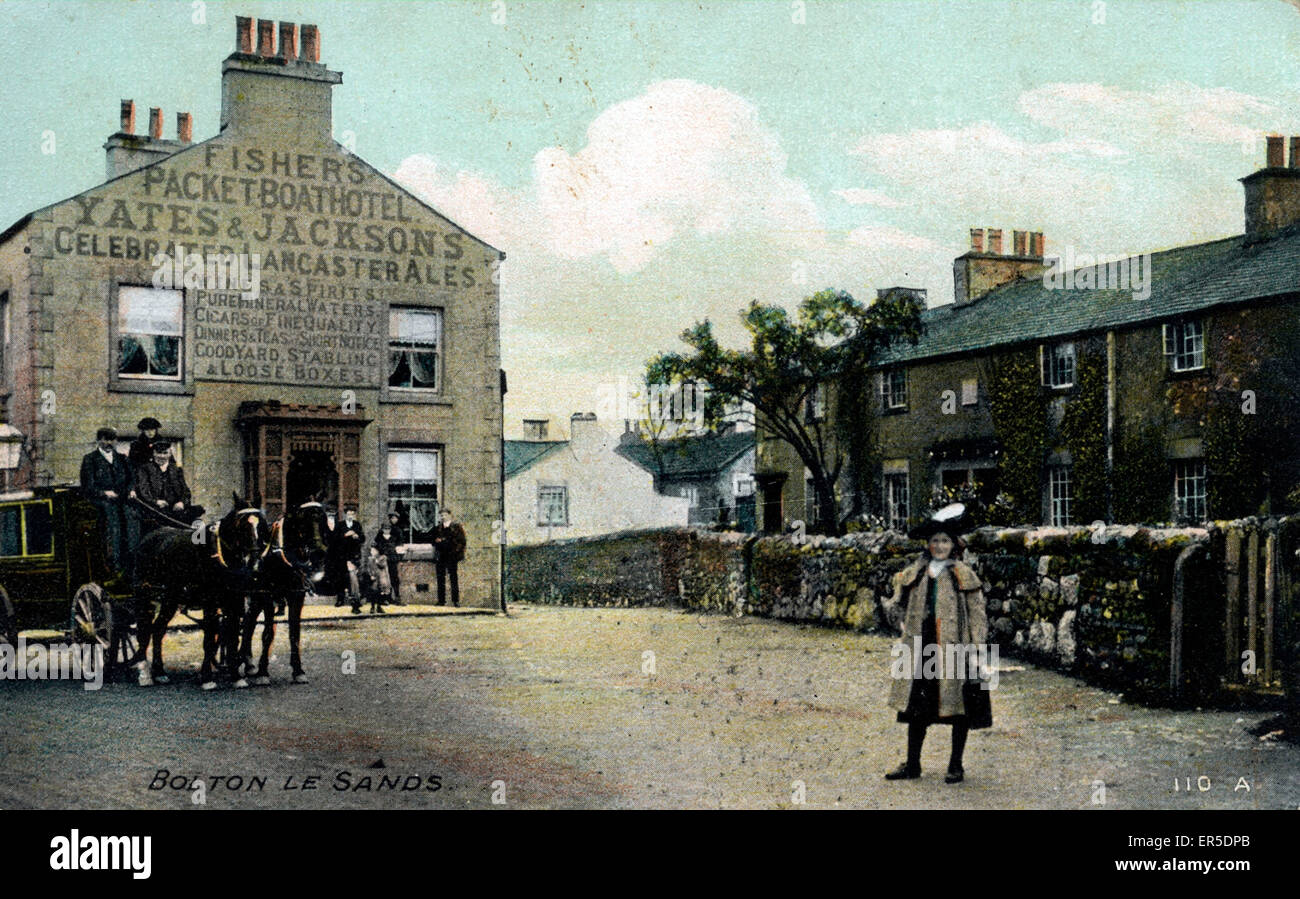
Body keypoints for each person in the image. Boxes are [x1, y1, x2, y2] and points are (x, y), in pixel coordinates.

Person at [884, 504, 990, 784]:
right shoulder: (916, 572)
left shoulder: (963, 575)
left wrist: (978, 649)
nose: (939, 546)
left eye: (944, 540)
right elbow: (897, 604)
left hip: (955, 649)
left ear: (954, 544)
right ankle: (912, 764)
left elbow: (978, 614)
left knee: (959, 707)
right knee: (915, 709)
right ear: (928, 545)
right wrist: (902, 625)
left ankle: (956, 765)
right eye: (934, 541)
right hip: (921, 649)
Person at [79, 428, 136, 572]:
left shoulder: (122, 458)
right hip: (101, 501)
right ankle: (114, 562)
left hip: (122, 499)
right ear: (98, 441)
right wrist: (104, 493)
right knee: (112, 516)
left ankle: (132, 558)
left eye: (112, 439)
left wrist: (131, 490)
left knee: (132, 513)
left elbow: (131, 479)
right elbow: (87, 486)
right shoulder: (90, 459)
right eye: (105, 439)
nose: (109, 443)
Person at [133, 440, 204, 530]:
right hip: (156, 511)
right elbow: (144, 491)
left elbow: (186, 492)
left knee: (198, 522)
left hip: (176, 510)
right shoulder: (145, 469)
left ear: (170, 454)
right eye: (158, 453)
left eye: (165, 453)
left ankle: (199, 543)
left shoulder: (176, 470)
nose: (161, 456)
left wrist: (181, 503)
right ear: (154, 453)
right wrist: (156, 501)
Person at [330, 505, 365, 614]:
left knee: (353, 579)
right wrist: (345, 535)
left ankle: (354, 602)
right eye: (348, 514)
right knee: (341, 578)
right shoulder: (340, 525)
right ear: (345, 514)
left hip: (353, 555)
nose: (350, 516)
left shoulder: (357, 525)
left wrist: (356, 535)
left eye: (352, 514)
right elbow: (334, 539)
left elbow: (363, 538)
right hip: (342, 555)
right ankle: (340, 599)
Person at [432, 508, 466, 607]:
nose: (443, 517)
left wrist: (455, 551)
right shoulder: (437, 528)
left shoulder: (456, 527)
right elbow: (432, 540)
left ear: (450, 515)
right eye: (441, 515)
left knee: (453, 578)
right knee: (440, 578)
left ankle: (456, 601)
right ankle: (441, 601)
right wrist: (436, 541)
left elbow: (462, 541)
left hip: (452, 556)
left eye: (445, 515)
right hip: (441, 555)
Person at [373, 514, 405, 605]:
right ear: (382, 529)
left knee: (394, 578)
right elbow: (374, 549)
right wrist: (378, 558)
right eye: (385, 529)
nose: (386, 530)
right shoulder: (379, 538)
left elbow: (399, 548)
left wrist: (398, 558)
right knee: (384, 580)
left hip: (392, 560)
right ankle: (386, 598)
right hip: (382, 562)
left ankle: (397, 598)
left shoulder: (394, 538)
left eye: (388, 529)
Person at [361, 547, 391, 613]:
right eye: (371, 550)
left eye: (373, 550)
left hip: (381, 577)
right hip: (374, 578)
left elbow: (382, 565)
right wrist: (371, 575)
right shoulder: (370, 559)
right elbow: (368, 568)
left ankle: (379, 606)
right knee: (374, 592)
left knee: (381, 592)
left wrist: (376, 560)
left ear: (377, 551)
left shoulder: (383, 558)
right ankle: (372, 607)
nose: (372, 552)